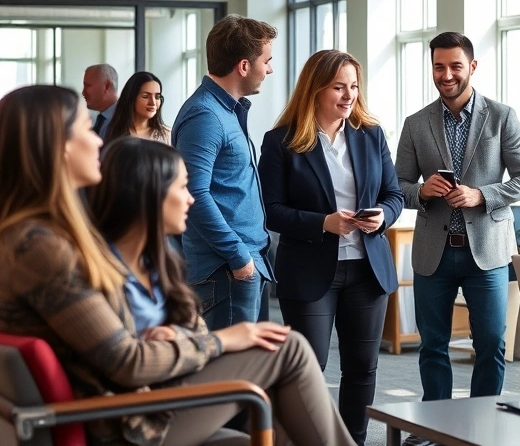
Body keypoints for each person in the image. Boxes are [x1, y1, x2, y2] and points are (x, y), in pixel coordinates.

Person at [0, 85, 357, 446]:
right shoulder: (41, 246)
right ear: (58, 144)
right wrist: (222, 339)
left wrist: (171, 337)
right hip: (123, 422)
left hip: (131, 400)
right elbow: (126, 361)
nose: (97, 141)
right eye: (84, 129)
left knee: (259, 423)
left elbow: (120, 342)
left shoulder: (51, 235)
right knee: (287, 349)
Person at [259, 50, 404, 445]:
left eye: (354, 86)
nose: (349, 95)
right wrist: (323, 223)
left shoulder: (370, 134)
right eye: (339, 87)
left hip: (367, 269)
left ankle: (353, 441)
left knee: (362, 368)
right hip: (309, 270)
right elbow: (271, 211)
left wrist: (383, 216)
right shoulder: (281, 142)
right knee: (308, 370)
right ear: (315, 89)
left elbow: (393, 194)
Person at [394, 31, 520, 402]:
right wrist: (421, 191)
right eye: (439, 67)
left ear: (471, 66)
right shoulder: (415, 123)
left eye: (455, 66)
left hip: (487, 252)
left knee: (490, 344)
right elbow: (397, 185)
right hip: (433, 252)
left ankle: (482, 425)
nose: (447, 75)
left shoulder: (502, 117)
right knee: (433, 345)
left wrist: (482, 194)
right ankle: (436, 426)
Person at [172, 14, 277, 330]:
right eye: (266, 61)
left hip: (238, 266)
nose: (269, 69)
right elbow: (193, 193)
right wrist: (239, 258)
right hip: (226, 269)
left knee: (248, 369)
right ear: (243, 66)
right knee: (232, 373)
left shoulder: (227, 110)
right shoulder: (206, 116)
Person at [104, 71, 171, 144]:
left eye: (157, 97)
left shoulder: (167, 135)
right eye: (145, 96)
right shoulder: (113, 132)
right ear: (131, 98)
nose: (153, 103)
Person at [82, 63, 118, 138]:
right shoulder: (99, 119)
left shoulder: (124, 120)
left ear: (107, 86)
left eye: (88, 86)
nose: (83, 92)